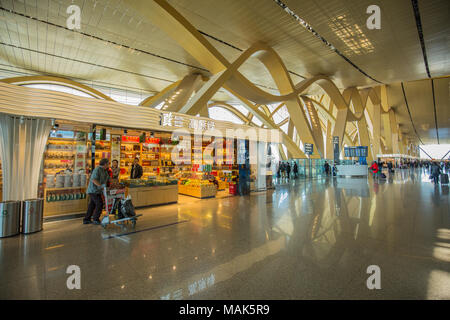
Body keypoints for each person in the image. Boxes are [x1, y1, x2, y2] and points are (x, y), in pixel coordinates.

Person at [83, 158, 110, 225]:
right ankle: (95, 219)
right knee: (99, 203)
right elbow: (94, 180)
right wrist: (101, 186)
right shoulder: (97, 169)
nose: (109, 165)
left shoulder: (105, 171)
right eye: (108, 163)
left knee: (92, 205)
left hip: (98, 191)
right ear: (105, 164)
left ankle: (87, 219)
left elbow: (109, 179)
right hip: (93, 190)